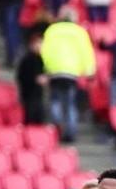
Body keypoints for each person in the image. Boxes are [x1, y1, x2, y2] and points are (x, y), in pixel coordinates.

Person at [41, 9, 96, 143]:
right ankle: (70, 132)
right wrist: (89, 71)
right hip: (71, 71)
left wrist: (45, 68)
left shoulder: (52, 30)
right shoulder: (79, 32)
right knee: (70, 103)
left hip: (54, 70)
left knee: (55, 101)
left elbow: (45, 50)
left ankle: (57, 126)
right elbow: (86, 52)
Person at [15, 34, 46, 124]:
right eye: (38, 44)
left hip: (37, 94)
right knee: (31, 117)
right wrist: (35, 79)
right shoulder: (27, 59)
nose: (40, 46)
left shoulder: (40, 59)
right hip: (29, 94)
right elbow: (22, 76)